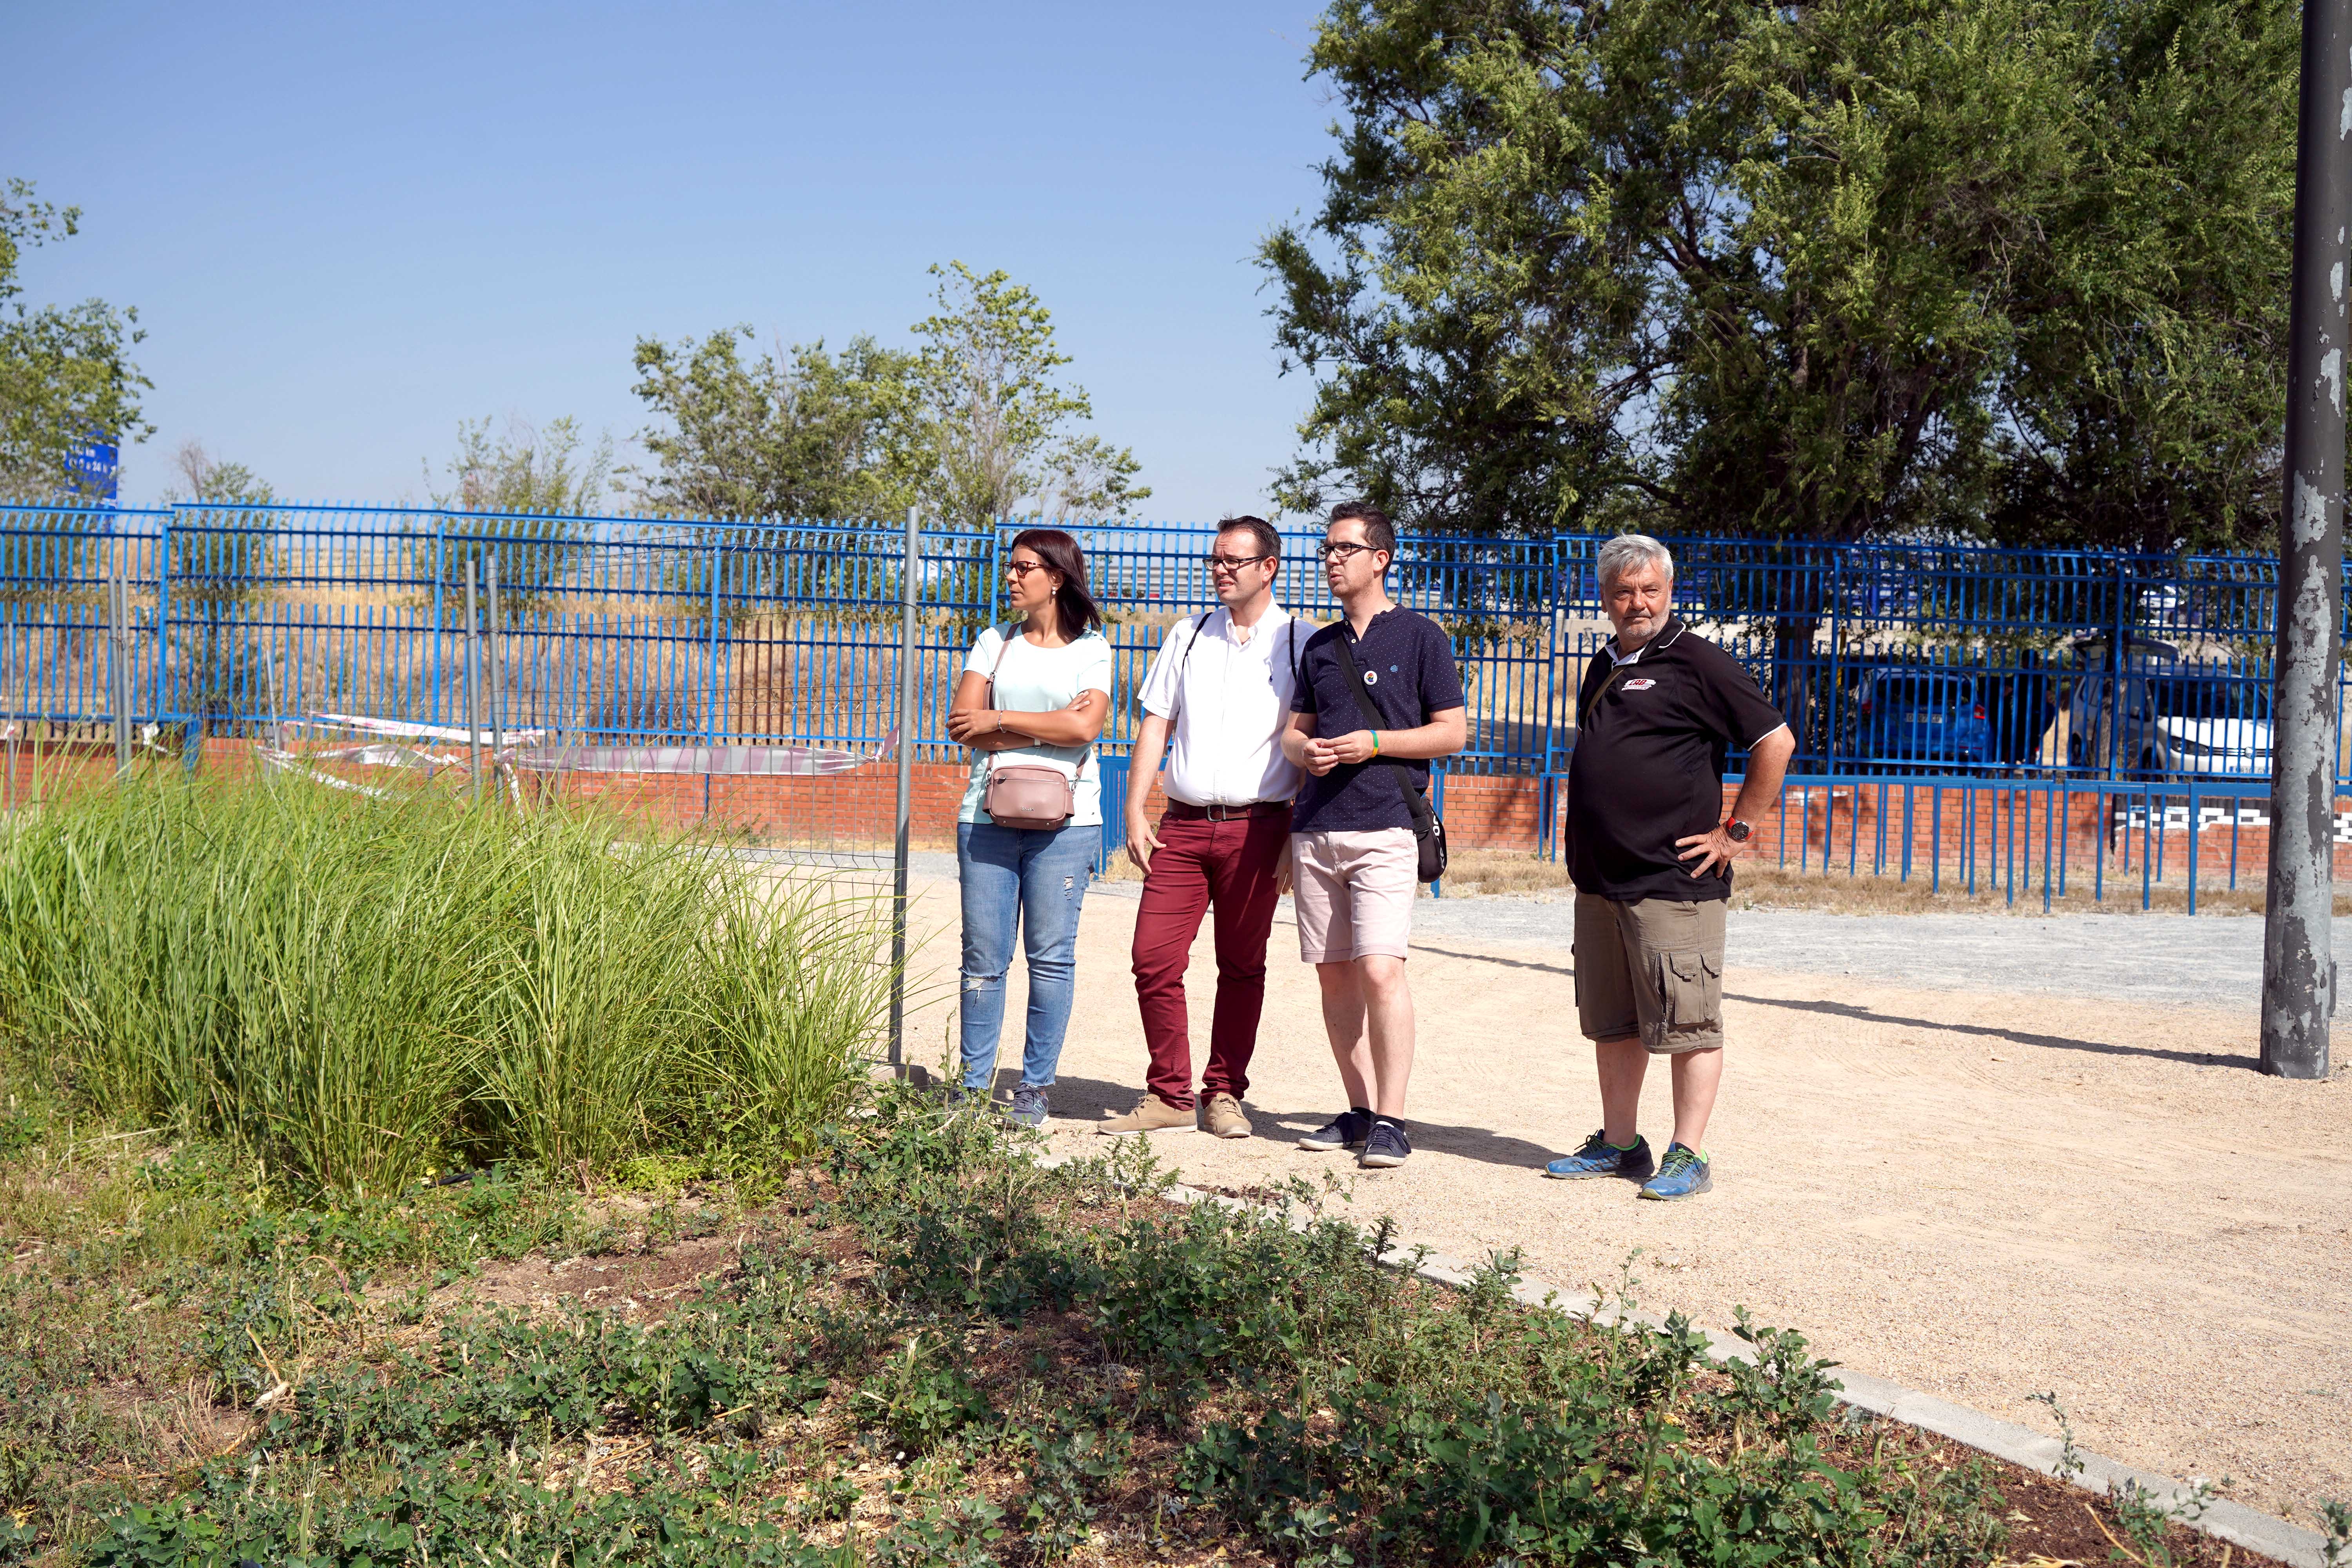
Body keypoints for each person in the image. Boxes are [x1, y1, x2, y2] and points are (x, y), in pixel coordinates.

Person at [1543, 533, 1795, 1200]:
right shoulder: (1604, 664)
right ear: (1605, 598)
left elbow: (1775, 740)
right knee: (1614, 1022)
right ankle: (1621, 1144)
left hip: (1674, 880)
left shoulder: (1699, 661)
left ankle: (1690, 1154)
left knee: (1690, 1023)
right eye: (1624, 591)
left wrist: (1735, 832)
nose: (1639, 603)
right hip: (1601, 880)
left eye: (1650, 590)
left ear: (1670, 591)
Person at [1100, 517, 1308, 1139]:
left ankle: (1223, 1093)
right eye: (1214, 560)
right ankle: (1169, 1093)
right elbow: (1156, 723)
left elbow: (1312, 740)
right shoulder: (1188, 634)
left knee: (1242, 966)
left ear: (1268, 567)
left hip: (1261, 828)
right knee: (1152, 958)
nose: (1220, 571)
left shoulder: (1299, 642)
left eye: (1233, 561)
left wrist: (1296, 836)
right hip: (1183, 828)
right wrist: (1135, 810)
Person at [1279, 502, 1466, 1169]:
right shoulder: (1319, 646)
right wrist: (1305, 753)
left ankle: (1393, 1120)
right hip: (1316, 831)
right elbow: (1292, 734)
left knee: (1382, 970)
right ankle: (1359, 1111)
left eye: (1345, 548)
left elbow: (1452, 732)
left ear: (1381, 558)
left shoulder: (1421, 637)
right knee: (1334, 980)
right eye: (1327, 549)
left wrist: (1376, 743)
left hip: (1387, 826)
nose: (1332, 559)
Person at [944, 529, 1112, 1128]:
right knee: (982, 961)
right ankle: (972, 1087)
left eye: (1024, 568)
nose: (1012, 577)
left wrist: (1000, 720)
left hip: (1067, 825)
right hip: (985, 817)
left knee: (1051, 959)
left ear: (1056, 577)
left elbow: (1084, 729)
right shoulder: (994, 641)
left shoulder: (1092, 649)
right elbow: (962, 724)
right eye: (1011, 567)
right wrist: (1048, 724)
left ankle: (1035, 1087)